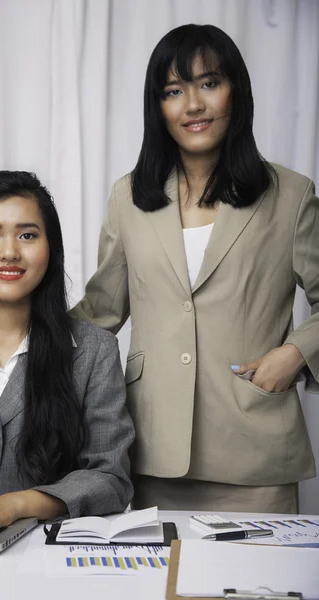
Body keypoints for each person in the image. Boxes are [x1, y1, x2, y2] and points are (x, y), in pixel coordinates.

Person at [71, 24, 319, 513]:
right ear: (157, 107)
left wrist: (295, 352)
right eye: (173, 91)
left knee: (256, 591)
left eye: (209, 83)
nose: (193, 105)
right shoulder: (129, 196)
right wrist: (17, 329)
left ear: (236, 91)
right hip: (150, 451)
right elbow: (101, 312)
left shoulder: (291, 195)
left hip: (256, 454)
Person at [0, 170, 134, 529]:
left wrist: (16, 505)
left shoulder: (94, 351)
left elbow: (110, 478)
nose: (9, 252)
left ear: (51, 248)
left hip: (47, 561)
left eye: (27, 235)